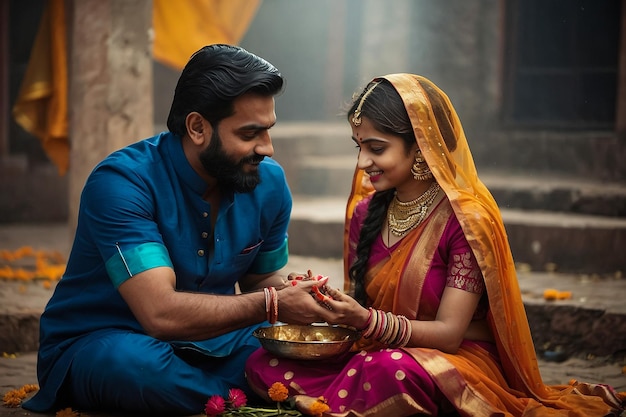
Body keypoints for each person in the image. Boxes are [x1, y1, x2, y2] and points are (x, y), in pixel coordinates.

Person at [245, 74, 625, 416]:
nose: (362, 163)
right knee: (263, 362)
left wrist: (363, 320)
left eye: (376, 148)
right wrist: (330, 302)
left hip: (454, 357)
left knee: (385, 371)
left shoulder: (467, 222)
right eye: (358, 146)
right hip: (379, 349)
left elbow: (448, 333)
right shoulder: (366, 212)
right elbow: (367, 306)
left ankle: (343, 402)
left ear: (421, 148)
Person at [23, 44, 337, 415]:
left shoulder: (267, 184)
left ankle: (237, 397)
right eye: (250, 133)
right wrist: (273, 304)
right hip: (109, 341)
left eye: (268, 130)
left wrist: (298, 294)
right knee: (135, 367)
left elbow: (262, 279)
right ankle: (256, 399)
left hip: (215, 343)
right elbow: (159, 314)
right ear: (198, 127)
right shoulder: (123, 182)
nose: (266, 148)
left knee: (312, 359)